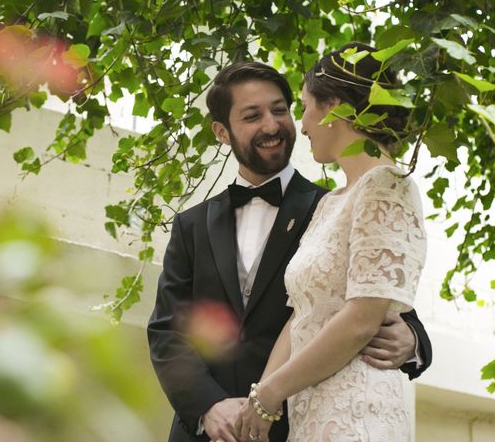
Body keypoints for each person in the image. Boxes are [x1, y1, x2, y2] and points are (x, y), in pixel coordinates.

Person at [148, 60, 432, 442]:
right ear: (222, 132)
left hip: (300, 423)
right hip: (207, 433)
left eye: (280, 110)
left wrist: (413, 340)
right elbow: (168, 330)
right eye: (252, 116)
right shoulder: (191, 225)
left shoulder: (333, 203)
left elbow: (381, 298)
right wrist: (208, 407)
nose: (272, 125)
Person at [234, 43, 427, 442]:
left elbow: (361, 319)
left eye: (304, 106)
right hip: (310, 419)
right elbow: (300, 316)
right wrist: (257, 403)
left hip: (358, 415)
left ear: (334, 106)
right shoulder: (331, 203)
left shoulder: (387, 186)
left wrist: (270, 395)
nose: (301, 125)